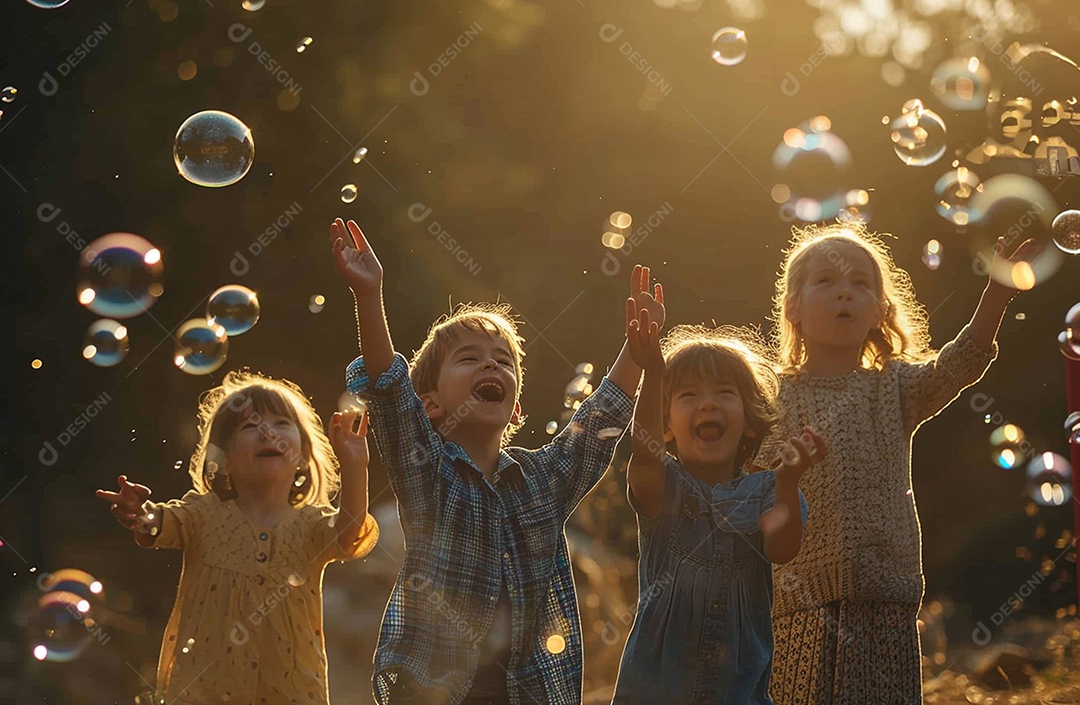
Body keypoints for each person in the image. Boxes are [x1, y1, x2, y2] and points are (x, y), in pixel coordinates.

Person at [331, 216, 654, 704]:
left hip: (525, 692)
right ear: (430, 405)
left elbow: (598, 426)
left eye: (503, 361)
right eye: (469, 358)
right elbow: (389, 391)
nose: (490, 364)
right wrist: (369, 296)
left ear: (516, 408)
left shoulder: (542, 480)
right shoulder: (427, 471)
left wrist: (635, 351)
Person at [753, 223, 1036, 703]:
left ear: (880, 312)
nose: (845, 291)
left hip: (886, 593)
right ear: (793, 308)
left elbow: (959, 363)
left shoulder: (895, 388)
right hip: (798, 602)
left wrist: (996, 298)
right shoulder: (770, 399)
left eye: (861, 283)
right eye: (826, 280)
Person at [95, 370, 378, 705]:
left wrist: (355, 466)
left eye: (281, 423)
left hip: (293, 695)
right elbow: (161, 521)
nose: (267, 432)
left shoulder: (311, 525)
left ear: (302, 456)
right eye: (249, 426)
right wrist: (138, 513)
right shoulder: (202, 514)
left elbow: (350, 533)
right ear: (224, 460)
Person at [612, 296, 823, 703]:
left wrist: (789, 481)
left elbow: (783, 548)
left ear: (748, 421)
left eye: (725, 393)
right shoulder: (665, 488)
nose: (707, 403)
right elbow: (644, 452)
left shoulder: (767, 491)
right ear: (667, 426)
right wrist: (653, 374)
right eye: (688, 395)